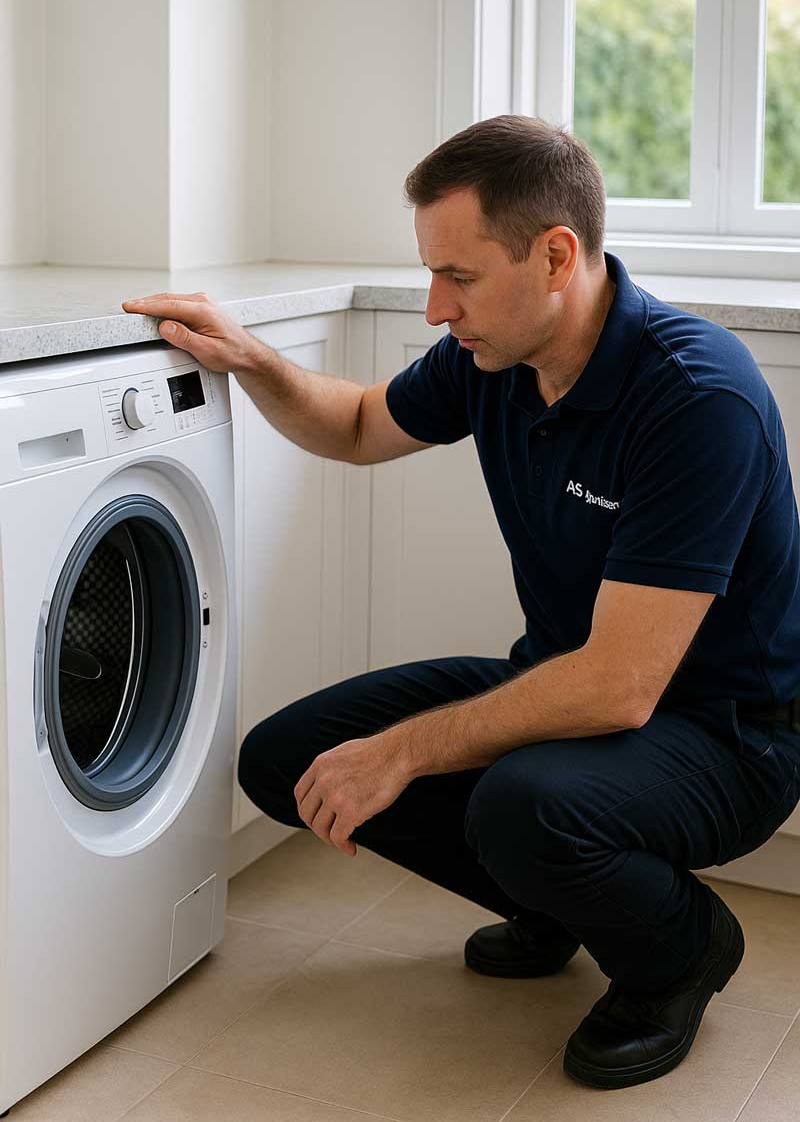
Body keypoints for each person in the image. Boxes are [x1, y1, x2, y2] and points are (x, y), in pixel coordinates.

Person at [121, 114, 800, 1091]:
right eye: (431, 275)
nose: (437, 307)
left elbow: (617, 688)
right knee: (288, 762)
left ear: (555, 255)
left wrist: (400, 750)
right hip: (567, 686)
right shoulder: (495, 360)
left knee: (519, 808)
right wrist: (255, 359)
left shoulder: (696, 399)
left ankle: (679, 951)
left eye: (460, 276)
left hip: (726, 737)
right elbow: (358, 425)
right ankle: (560, 900)